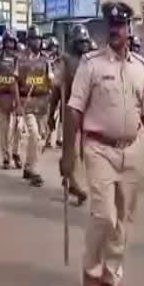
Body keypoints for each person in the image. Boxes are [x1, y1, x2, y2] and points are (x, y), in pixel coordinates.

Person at [60, 0, 144, 286]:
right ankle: (91, 274)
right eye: (111, 25)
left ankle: (110, 275)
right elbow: (74, 109)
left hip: (130, 150)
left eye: (121, 25)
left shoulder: (139, 68)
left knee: (125, 220)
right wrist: (69, 154)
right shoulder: (91, 64)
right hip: (98, 148)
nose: (116, 30)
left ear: (129, 29)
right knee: (104, 215)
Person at [49, 24, 91, 205]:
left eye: (85, 42)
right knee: (71, 150)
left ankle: (71, 177)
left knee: (86, 151)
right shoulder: (65, 61)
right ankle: (73, 182)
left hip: (89, 112)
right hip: (70, 111)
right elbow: (57, 90)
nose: (83, 45)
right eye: (79, 42)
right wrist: (51, 114)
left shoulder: (92, 60)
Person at [18, 26, 54, 187]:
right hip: (28, 102)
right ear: (28, 41)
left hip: (43, 104)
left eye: (39, 39)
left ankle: (27, 166)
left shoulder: (47, 60)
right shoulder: (21, 60)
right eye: (33, 39)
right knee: (34, 135)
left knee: (40, 136)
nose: (37, 42)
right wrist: (18, 103)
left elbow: (52, 80)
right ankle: (33, 170)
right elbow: (14, 82)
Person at [0, 31, 22, 170]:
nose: (10, 44)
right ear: (4, 43)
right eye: (7, 42)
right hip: (2, 96)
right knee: (4, 129)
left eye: (12, 42)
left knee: (19, 128)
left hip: (17, 97)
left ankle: (16, 152)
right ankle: (5, 157)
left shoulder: (19, 58)